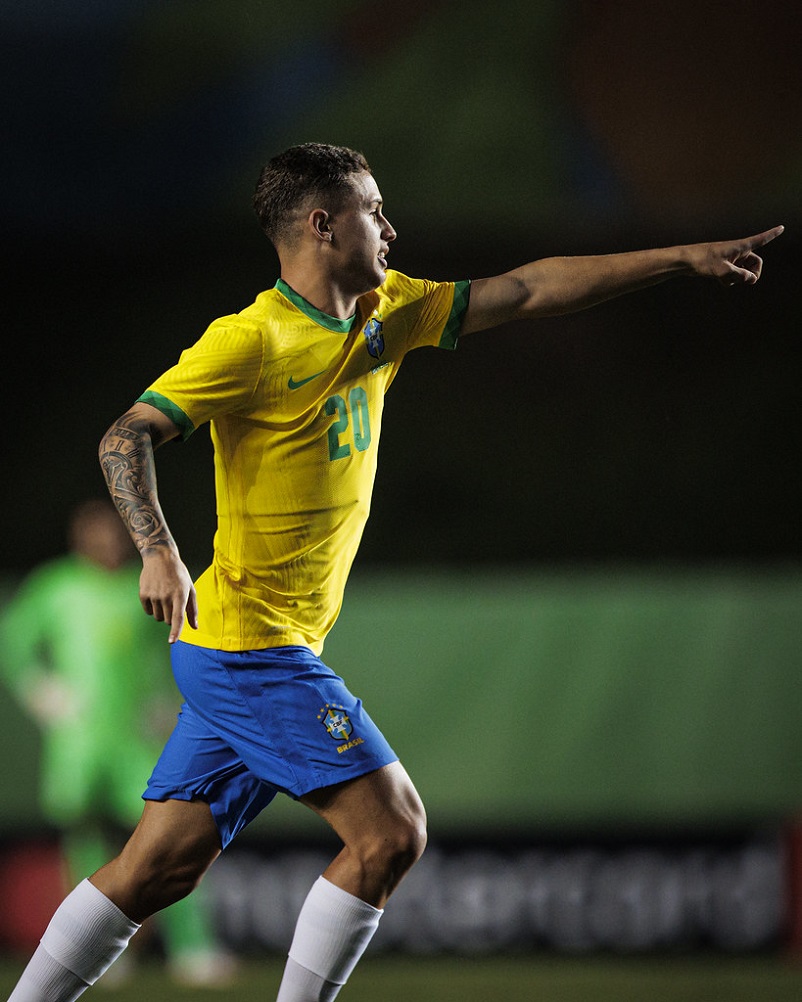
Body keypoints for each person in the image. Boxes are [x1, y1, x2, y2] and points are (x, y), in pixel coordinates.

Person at [6, 142, 783, 1002]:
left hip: (244, 646)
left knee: (155, 869)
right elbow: (126, 435)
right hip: (251, 651)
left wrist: (678, 257)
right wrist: (157, 547)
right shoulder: (250, 340)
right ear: (322, 224)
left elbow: (527, 289)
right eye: (374, 210)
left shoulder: (390, 309)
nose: (391, 227)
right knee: (392, 833)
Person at [0, 499, 237, 989]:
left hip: (133, 740)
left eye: (113, 535)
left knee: (170, 837)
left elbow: (173, 644)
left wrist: (165, 699)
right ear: (79, 539)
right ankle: (98, 953)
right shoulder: (55, 587)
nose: (107, 544)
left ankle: (192, 948)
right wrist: (39, 689)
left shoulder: (143, 583)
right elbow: (13, 641)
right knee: (84, 843)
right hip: (79, 743)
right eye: (97, 535)